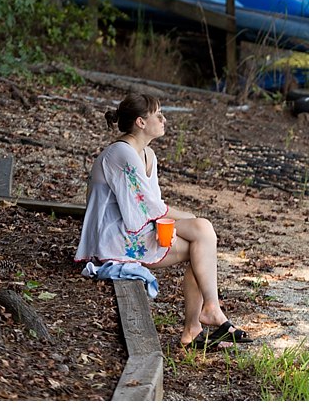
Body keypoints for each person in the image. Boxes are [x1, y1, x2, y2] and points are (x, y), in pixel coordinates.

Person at [75, 92, 251, 349]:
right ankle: (204, 317)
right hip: (116, 239)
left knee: (201, 242)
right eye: (158, 115)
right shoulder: (120, 154)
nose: (164, 120)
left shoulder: (148, 155)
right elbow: (147, 209)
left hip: (137, 228)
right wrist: (191, 218)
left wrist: (189, 221)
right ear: (141, 122)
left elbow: (151, 206)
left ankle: (199, 323)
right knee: (201, 232)